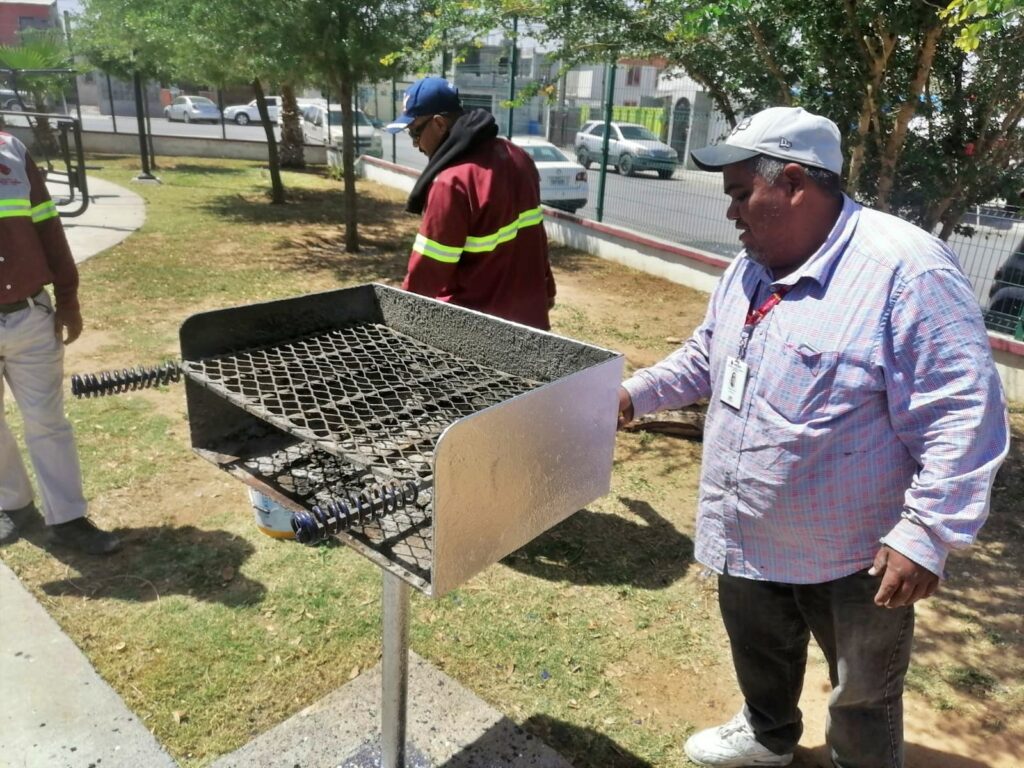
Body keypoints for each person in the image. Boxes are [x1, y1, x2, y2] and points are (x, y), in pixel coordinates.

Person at [616, 107, 1009, 768]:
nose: (733, 212)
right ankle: (768, 736)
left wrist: (928, 533)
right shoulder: (752, 265)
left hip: (854, 552)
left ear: (794, 182)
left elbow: (962, 414)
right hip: (749, 525)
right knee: (759, 648)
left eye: (743, 194)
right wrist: (630, 395)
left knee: (862, 692)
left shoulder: (905, 271)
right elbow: (704, 356)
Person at [0, 131, 120, 555]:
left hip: (29, 314)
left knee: (47, 422)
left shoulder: (11, 151)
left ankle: (68, 518)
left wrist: (68, 299)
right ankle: (13, 506)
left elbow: (48, 226)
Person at [385, 76, 556, 330]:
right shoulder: (518, 157)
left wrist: (399, 323)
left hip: (477, 338)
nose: (415, 144)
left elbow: (426, 274)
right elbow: (536, 238)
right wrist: (547, 290)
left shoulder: (451, 182)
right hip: (529, 327)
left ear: (439, 124)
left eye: (415, 133)